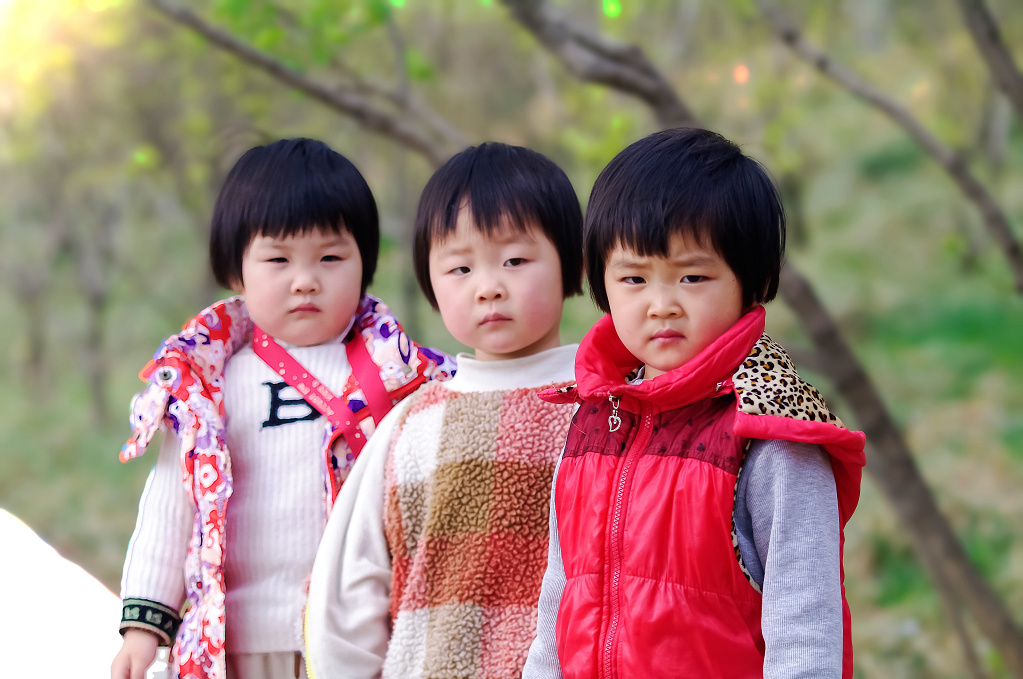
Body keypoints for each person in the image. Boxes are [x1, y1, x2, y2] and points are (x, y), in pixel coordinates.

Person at [521, 128, 867, 679]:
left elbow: (806, 624)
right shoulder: (593, 419)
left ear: (754, 279)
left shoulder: (771, 434)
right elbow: (558, 598)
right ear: (601, 283)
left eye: (693, 276)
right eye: (634, 277)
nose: (662, 305)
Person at [110, 138, 456, 679]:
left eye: (331, 257)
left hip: (361, 638)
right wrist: (142, 628)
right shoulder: (207, 386)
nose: (305, 280)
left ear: (364, 262)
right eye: (278, 259)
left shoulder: (396, 377)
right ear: (236, 271)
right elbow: (169, 511)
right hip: (238, 642)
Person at [303, 142, 584, 679]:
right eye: (459, 268)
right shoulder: (412, 423)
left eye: (516, 260)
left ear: (572, 262)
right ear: (429, 281)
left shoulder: (611, 409)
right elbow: (348, 589)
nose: (488, 288)